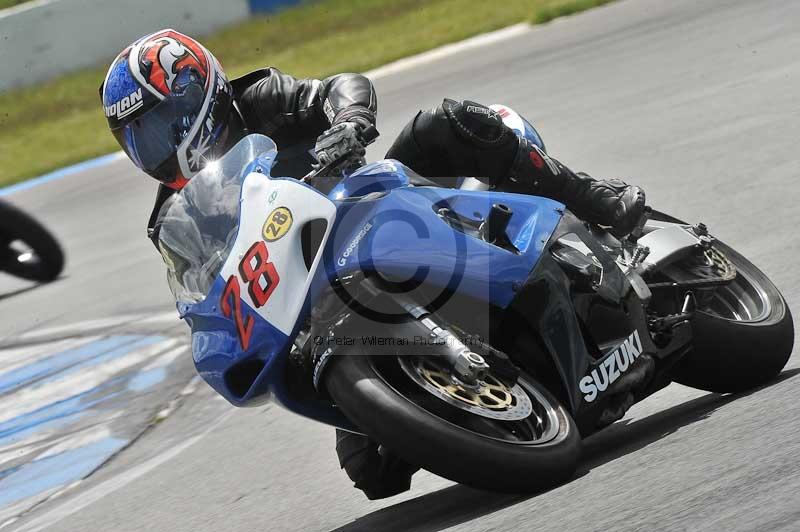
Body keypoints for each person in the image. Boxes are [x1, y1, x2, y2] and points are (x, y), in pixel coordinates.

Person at [100, 29, 646, 499]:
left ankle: (593, 197)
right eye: (136, 138)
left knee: (448, 123)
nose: (150, 148)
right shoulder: (171, 218)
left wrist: (350, 120)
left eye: (157, 123)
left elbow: (343, 85)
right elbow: (200, 287)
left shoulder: (259, 98)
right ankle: (480, 395)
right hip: (319, 301)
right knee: (372, 470)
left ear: (197, 92)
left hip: (378, 206)